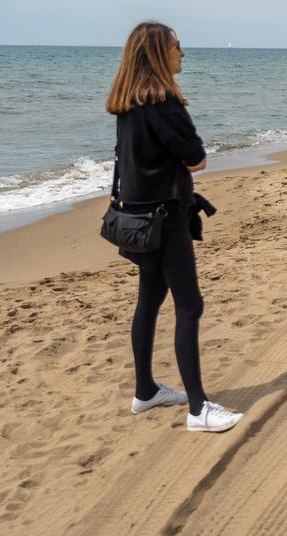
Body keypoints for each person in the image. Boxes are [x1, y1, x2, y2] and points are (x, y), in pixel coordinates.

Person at [105, 21, 243, 433]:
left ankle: (145, 390)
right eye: (177, 46)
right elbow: (196, 158)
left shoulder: (127, 103)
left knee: (149, 299)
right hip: (165, 221)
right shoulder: (162, 102)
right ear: (158, 54)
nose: (183, 53)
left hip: (137, 220)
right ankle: (199, 408)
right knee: (190, 305)